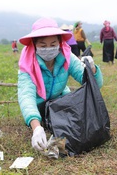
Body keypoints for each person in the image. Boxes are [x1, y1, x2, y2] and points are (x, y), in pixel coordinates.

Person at [17, 17, 103, 152]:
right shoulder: (27, 65)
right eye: (43, 45)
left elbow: (94, 84)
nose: (48, 49)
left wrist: (92, 70)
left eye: (53, 44)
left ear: (59, 42)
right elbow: (26, 96)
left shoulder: (67, 58)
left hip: (61, 106)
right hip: (40, 110)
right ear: (34, 45)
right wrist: (36, 127)